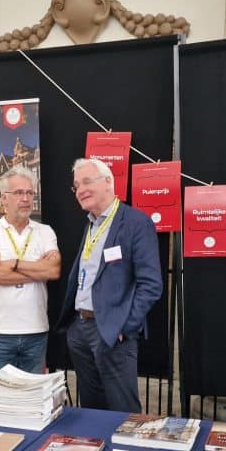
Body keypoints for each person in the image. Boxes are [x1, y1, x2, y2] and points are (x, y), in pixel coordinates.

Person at [58, 158, 162, 412]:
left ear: (108, 182)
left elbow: (151, 284)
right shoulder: (92, 224)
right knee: (92, 411)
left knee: (122, 412)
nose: (80, 190)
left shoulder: (136, 222)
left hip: (112, 332)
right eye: (76, 186)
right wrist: (74, 327)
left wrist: (123, 326)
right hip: (80, 329)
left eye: (86, 182)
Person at [0, 169, 61, 373]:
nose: (26, 199)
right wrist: (36, 269)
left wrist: (14, 262)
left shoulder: (45, 231)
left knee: (32, 398)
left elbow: (53, 271)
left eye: (30, 193)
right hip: (0, 332)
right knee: (3, 398)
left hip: (36, 330)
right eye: (19, 193)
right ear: (4, 198)